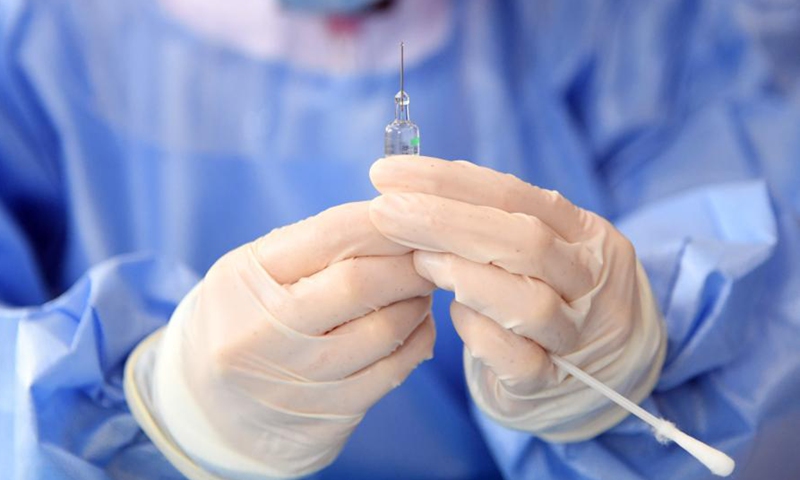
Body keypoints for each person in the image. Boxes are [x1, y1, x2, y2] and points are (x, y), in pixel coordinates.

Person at [1, 0, 799, 478]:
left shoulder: (634, 26)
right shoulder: (36, 42)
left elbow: (761, 232)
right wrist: (156, 407)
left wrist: (641, 341)